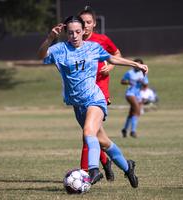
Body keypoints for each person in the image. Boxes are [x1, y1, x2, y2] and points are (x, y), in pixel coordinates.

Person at [37, 16, 148, 188]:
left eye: (78, 32)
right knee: (103, 141)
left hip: (95, 99)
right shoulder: (60, 49)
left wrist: (135, 64)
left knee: (88, 131)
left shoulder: (93, 48)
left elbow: (112, 58)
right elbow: (41, 55)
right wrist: (50, 38)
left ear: (83, 32)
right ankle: (128, 167)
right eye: (71, 32)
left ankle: (94, 170)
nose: (74, 36)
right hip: (78, 105)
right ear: (66, 33)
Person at [78, 6, 122, 182]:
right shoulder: (75, 43)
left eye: (89, 22)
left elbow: (116, 53)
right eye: (82, 22)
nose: (86, 25)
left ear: (94, 23)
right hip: (82, 93)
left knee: (88, 134)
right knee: (94, 134)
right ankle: (106, 162)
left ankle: (85, 173)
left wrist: (110, 66)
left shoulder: (102, 39)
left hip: (100, 92)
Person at [121, 58, 148, 138]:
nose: (137, 66)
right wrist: (128, 82)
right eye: (136, 64)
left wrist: (142, 82)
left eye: (139, 65)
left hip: (138, 95)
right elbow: (122, 81)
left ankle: (125, 129)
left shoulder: (143, 73)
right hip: (130, 94)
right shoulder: (129, 73)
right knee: (137, 111)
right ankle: (133, 131)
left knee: (131, 113)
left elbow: (146, 85)